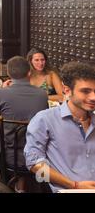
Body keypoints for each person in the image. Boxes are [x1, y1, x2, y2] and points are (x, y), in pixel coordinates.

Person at [24, 61, 95, 192]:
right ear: (67, 90)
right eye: (86, 91)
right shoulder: (44, 119)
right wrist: (74, 185)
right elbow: (34, 165)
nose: (93, 97)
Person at [0, 56, 48, 167]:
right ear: (29, 73)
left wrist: (2, 90)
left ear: (9, 74)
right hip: (37, 155)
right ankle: (25, 182)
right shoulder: (42, 94)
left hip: (9, 155)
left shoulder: (1, 93)